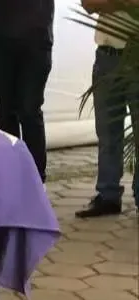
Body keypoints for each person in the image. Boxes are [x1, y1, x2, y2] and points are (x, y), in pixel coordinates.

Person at [75, 0, 138, 218]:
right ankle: (108, 195)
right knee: (108, 131)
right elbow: (89, 4)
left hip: (135, 54)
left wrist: (109, 3)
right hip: (106, 57)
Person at [0, 0, 54, 183]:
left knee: (29, 109)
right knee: (6, 112)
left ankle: (36, 180)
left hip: (36, 40)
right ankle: (10, 178)